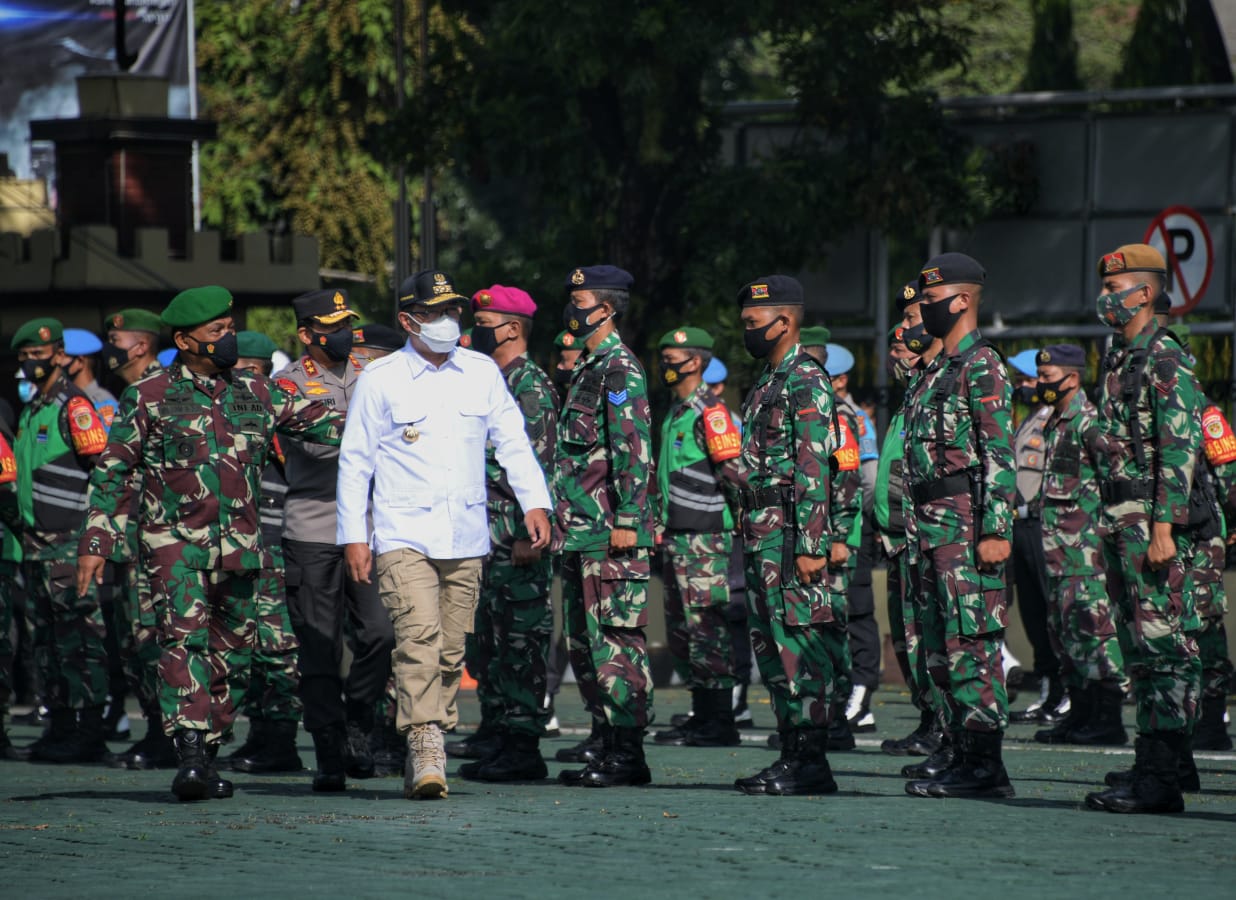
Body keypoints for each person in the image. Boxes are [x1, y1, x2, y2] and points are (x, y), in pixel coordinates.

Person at [76, 286, 345, 802]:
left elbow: (335, 425)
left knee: (234, 655)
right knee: (183, 644)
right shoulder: (149, 394)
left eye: (229, 329)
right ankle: (191, 755)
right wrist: (96, 539)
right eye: (217, 332)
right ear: (185, 340)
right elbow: (114, 469)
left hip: (242, 547)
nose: (228, 338)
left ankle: (211, 747)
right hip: (173, 545)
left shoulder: (258, 392)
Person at [337, 269, 552, 801]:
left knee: (452, 651)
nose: (448, 322)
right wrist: (353, 535)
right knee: (418, 642)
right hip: (402, 532)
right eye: (435, 313)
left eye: (452, 311)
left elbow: (513, 441)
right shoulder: (381, 378)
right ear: (408, 321)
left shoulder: (480, 372)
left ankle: (430, 729)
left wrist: (536, 501)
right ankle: (426, 743)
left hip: (466, 536)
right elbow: (355, 462)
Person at [1085, 244, 1204, 815]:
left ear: (1147, 293)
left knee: (1164, 648)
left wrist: (1164, 527)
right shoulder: (1118, 357)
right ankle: (1155, 761)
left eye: (1118, 287)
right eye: (1105, 286)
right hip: (1119, 520)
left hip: (1151, 524)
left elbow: (1181, 449)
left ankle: (1163, 776)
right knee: (1137, 646)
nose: (1107, 297)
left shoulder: (1164, 357)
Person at [902, 252, 1016, 800]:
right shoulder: (934, 372)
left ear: (962, 300)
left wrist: (995, 529)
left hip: (966, 528)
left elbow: (998, 454)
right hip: (928, 529)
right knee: (940, 647)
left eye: (929, 300)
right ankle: (959, 750)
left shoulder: (982, 365)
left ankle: (986, 764)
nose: (923, 309)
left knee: (971, 642)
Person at [277, 288, 395, 791]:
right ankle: (328, 746)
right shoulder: (285, 384)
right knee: (319, 646)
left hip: (372, 526)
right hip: (314, 525)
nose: (343, 333)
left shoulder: (377, 369)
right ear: (307, 334)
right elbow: (327, 439)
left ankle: (359, 720)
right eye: (331, 326)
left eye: (346, 323)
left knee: (381, 633)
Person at [732, 275, 844, 797]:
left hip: (790, 534)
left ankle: (811, 760)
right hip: (761, 535)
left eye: (754, 324)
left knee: (800, 644)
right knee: (773, 649)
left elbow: (814, 468)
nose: (748, 332)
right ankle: (790, 752)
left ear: (785, 321)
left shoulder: (806, 379)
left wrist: (811, 545)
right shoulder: (767, 380)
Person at [551, 265, 657, 788]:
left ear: (607, 309)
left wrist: (631, 519)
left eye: (581, 299)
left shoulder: (620, 371)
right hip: (581, 531)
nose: (573, 308)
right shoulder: (591, 367)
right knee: (588, 646)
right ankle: (606, 741)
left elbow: (632, 449)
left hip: (611, 531)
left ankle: (627, 754)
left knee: (617, 643)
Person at [452, 283, 559, 782]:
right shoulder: (491, 380)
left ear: (512, 328)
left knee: (521, 640)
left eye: (485, 320)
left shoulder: (529, 385)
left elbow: (537, 466)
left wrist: (524, 531)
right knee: (490, 641)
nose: (477, 329)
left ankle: (523, 744)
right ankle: (497, 731)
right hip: (483, 534)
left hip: (516, 536)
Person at [6, 318, 110, 763]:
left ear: (59, 355)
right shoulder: (33, 409)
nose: (32, 364)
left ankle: (89, 731)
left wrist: (96, 537)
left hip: (69, 542)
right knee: (47, 642)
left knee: (80, 639)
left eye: (39, 355)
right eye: (25, 356)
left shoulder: (73, 406)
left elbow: (103, 471)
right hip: (35, 545)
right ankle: (61, 725)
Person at [651, 326, 743, 749]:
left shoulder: (712, 413)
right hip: (676, 539)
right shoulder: (677, 411)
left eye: (675, 359)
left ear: (697, 362)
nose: (667, 366)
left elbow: (736, 477)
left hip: (705, 541)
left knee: (708, 629)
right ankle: (701, 713)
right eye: (665, 357)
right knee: (684, 632)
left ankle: (719, 719)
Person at [1032, 344, 1127, 746]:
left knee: (1094, 634)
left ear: (1072, 377)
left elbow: (1116, 482)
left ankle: (1107, 719)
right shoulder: (1056, 422)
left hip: (1085, 552)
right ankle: (1081, 713)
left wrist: (1108, 537)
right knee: (1064, 634)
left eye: (1048, 378)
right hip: (1057, 553)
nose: (1041, 385)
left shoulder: (1089, 422)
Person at [222, 330, 305, 774]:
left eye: (249, 372)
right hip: (241, 542)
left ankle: (280, 739)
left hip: (275, 540)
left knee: (276, 646)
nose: (241, 381)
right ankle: (260, 733)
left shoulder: (277, 407)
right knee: (246, 644)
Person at [98, 308, 175, 771]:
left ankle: (172, 737)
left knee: (158, 640)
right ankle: (156, 731)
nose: (110, 344)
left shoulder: (161, 391)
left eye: (116, 337)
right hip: (133, 539)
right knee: (135, 642)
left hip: (161, 540)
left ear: (140, 345)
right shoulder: (131, 392)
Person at [878, 283, 944, 757]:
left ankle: (947, 727)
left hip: (933, 536)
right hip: (899, 537)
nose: (903, 330)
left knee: (937, 637)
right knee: (910, 640)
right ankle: (929, 719)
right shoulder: (915, 390)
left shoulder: (950, 379)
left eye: (912, 318)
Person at [823, 339, 882, 734]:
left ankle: (861, 697)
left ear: (840, 379)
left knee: (857, 615)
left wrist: (847, 524)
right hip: (827, 534)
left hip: (850, 535)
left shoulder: (855, 420)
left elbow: (869, 481)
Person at [1006, 347, 1063, 723]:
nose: (1024, 388)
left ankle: (1064, 689)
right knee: (1031, 611)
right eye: (1023, 381)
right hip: (1021, 524)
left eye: (1029, 381)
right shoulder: (1029, 419)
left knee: (1052, 610)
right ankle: (1049, 687)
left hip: (1045, 525)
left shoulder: (1055, 420)